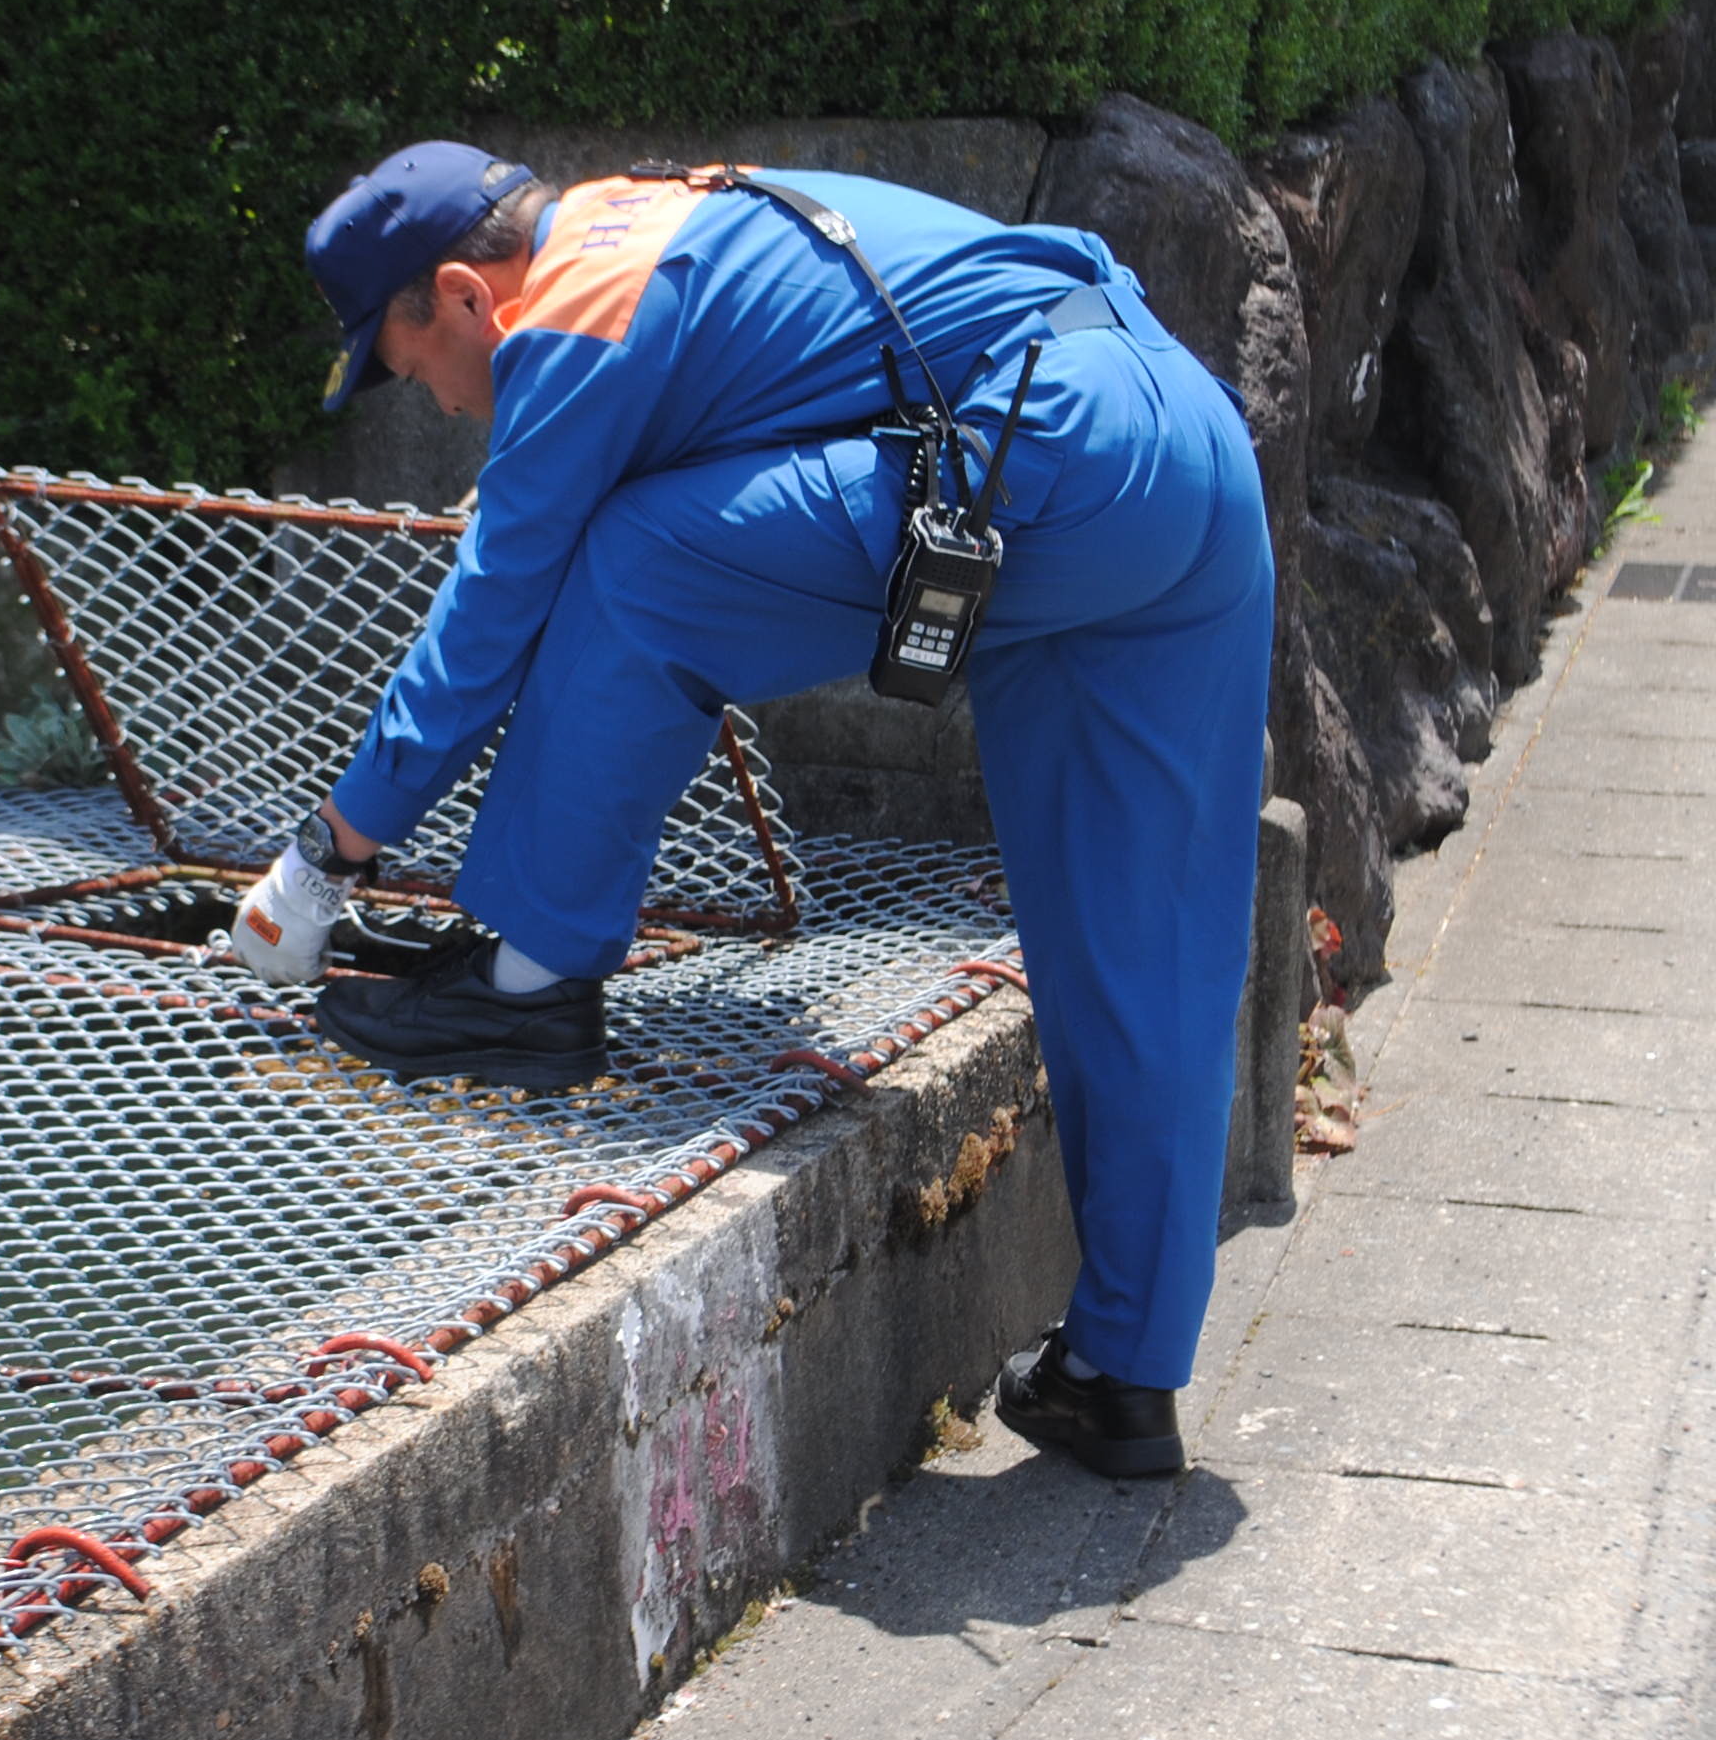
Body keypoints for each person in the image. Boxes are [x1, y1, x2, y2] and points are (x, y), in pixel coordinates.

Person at [230, 140, 1270, 1476]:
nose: (428, 401)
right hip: (1182, 440)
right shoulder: (655, 217)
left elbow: (496, 607)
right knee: (1148, 941)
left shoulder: (574, 313)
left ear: (461, 293)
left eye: (401, 356)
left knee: (637, 566)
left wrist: (328, 859)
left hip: (1043, 458)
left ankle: (532, 981)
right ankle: (1122, 1380)